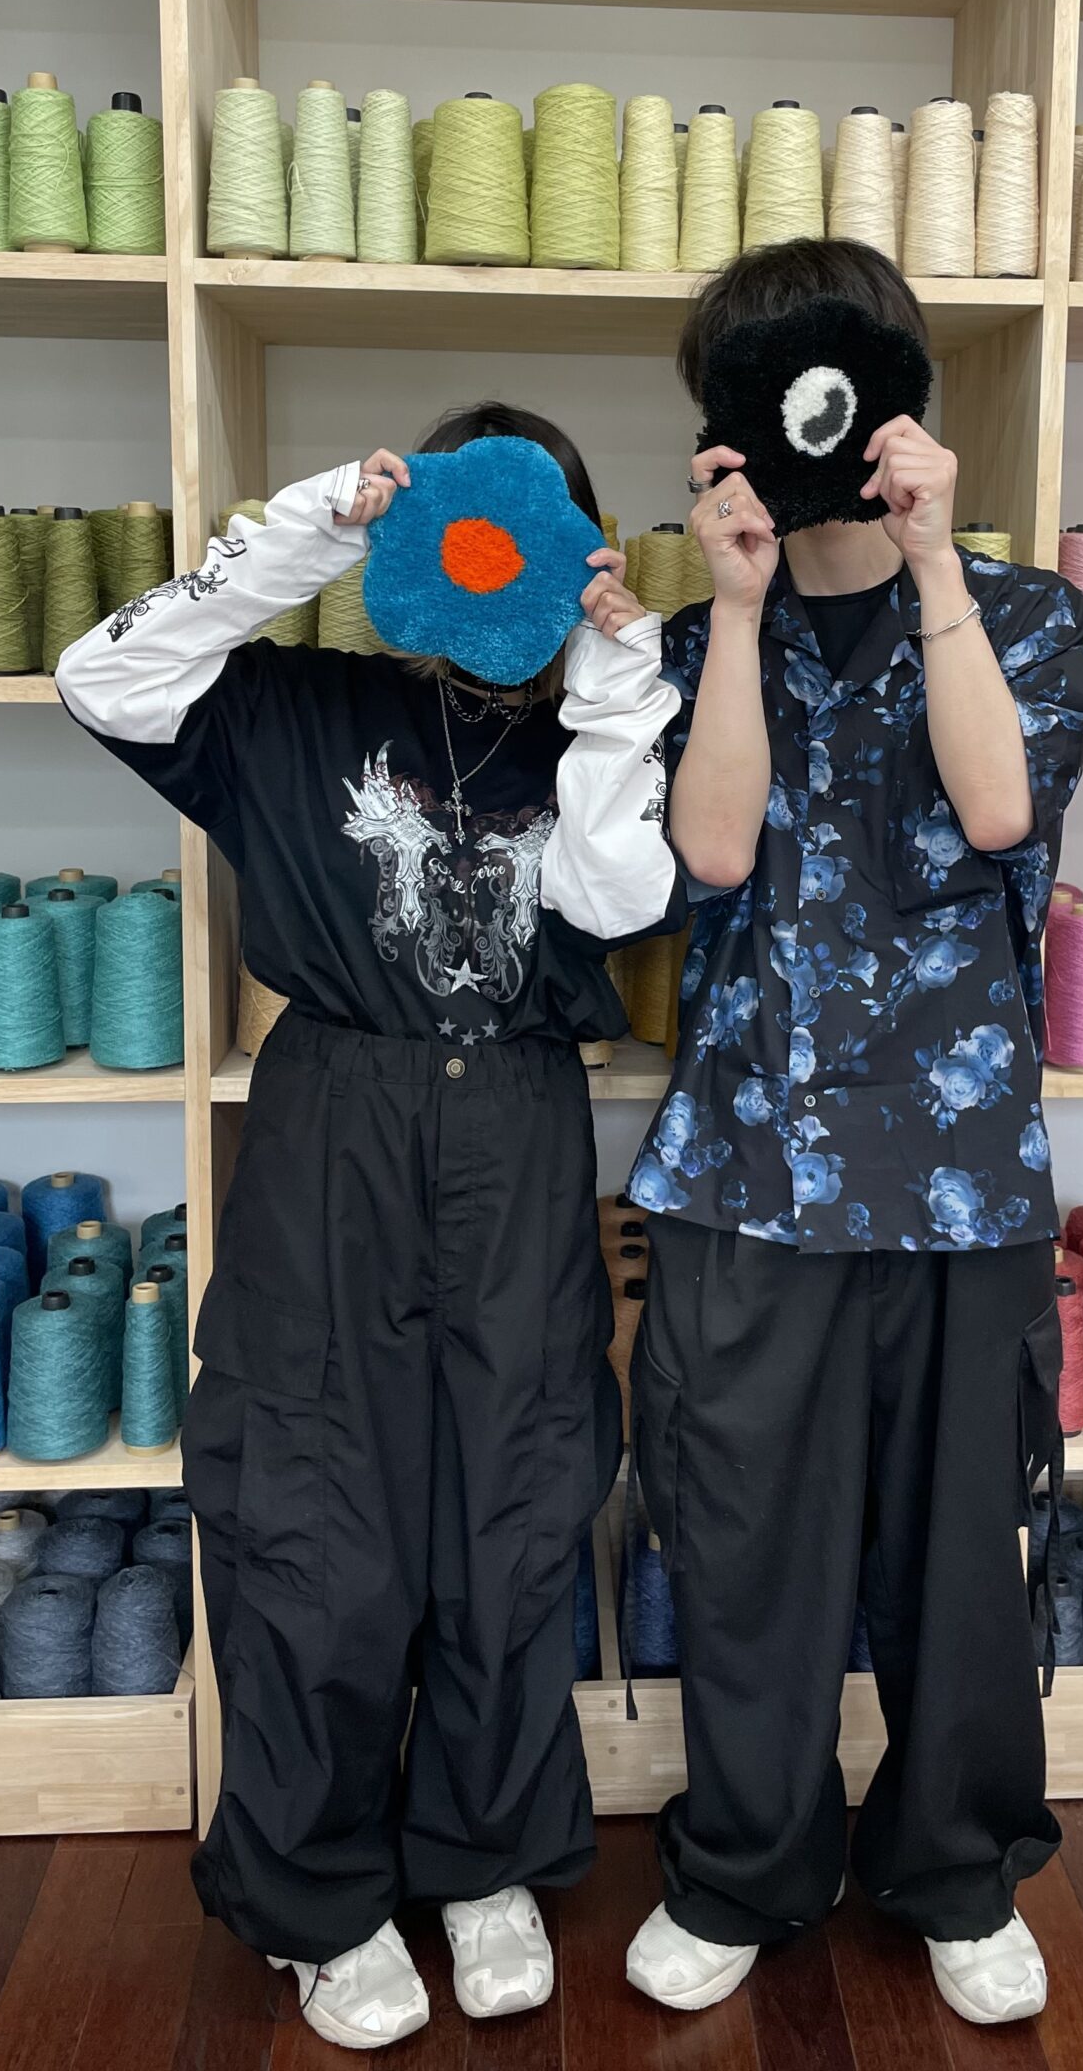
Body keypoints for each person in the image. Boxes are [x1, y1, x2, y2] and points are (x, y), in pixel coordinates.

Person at [57, 401, 681, 2051]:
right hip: (334, 1121)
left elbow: (619, 900)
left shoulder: (610, 730)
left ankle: (483, 1855)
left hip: (518, 1131)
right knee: (309, 1516)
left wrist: (617, 675)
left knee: (514, 1506)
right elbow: (102, 675)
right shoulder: (302, 704)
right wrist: (308, 533)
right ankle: (317, 1892)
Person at [621, 240, 1083, 2027]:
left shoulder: (1035, 620)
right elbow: (714, 855)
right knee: (744, 1548)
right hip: (745, 1173)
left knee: (959, 1559)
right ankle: (747, 1865)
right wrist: (743, 609)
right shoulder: (688, 647)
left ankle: (959, 1868)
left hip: (962, 1178)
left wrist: (931, 564)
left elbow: (995, 808)